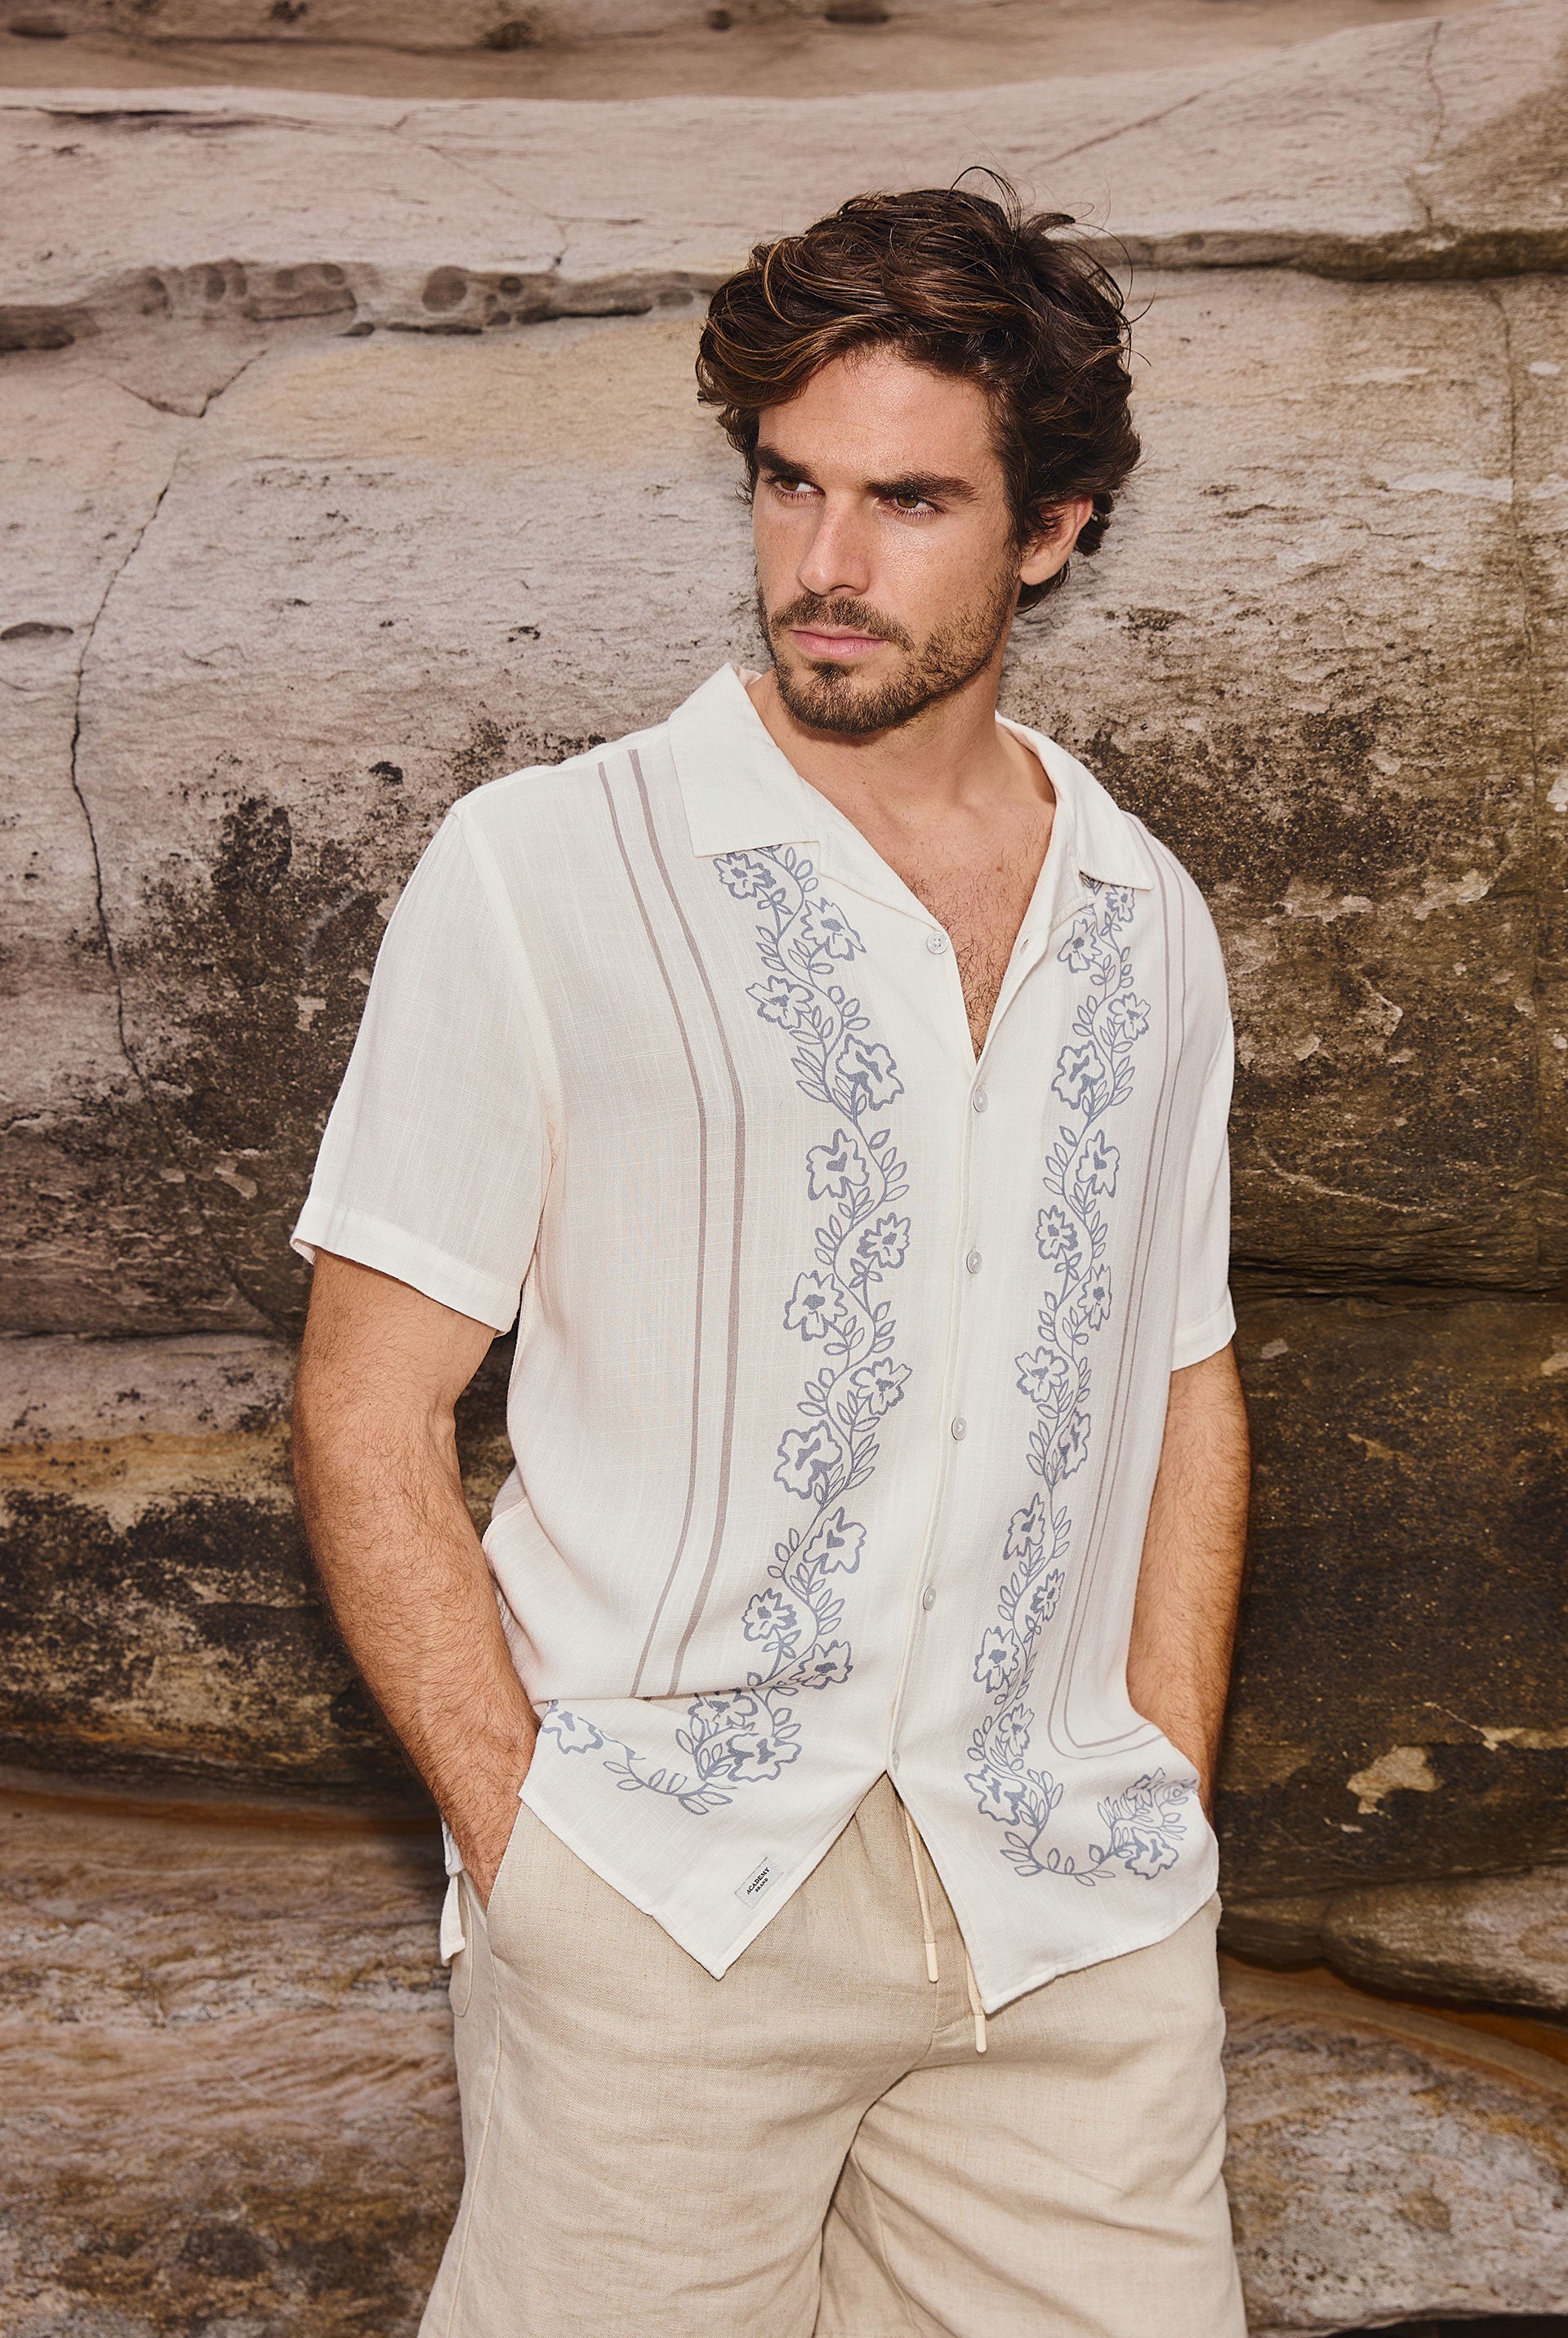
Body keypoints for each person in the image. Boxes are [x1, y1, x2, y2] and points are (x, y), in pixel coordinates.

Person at [291, 179, 1250, 2338]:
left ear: (1053, 529)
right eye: (790, 484)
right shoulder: (541, 872)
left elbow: (1181, 1381)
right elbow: (366, 1402)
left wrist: (1164, 1798)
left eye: (908, 501)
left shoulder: (1145, 917)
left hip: (1068, 1919)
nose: (826, 562)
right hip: (664, 1909)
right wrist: (531, 1856)